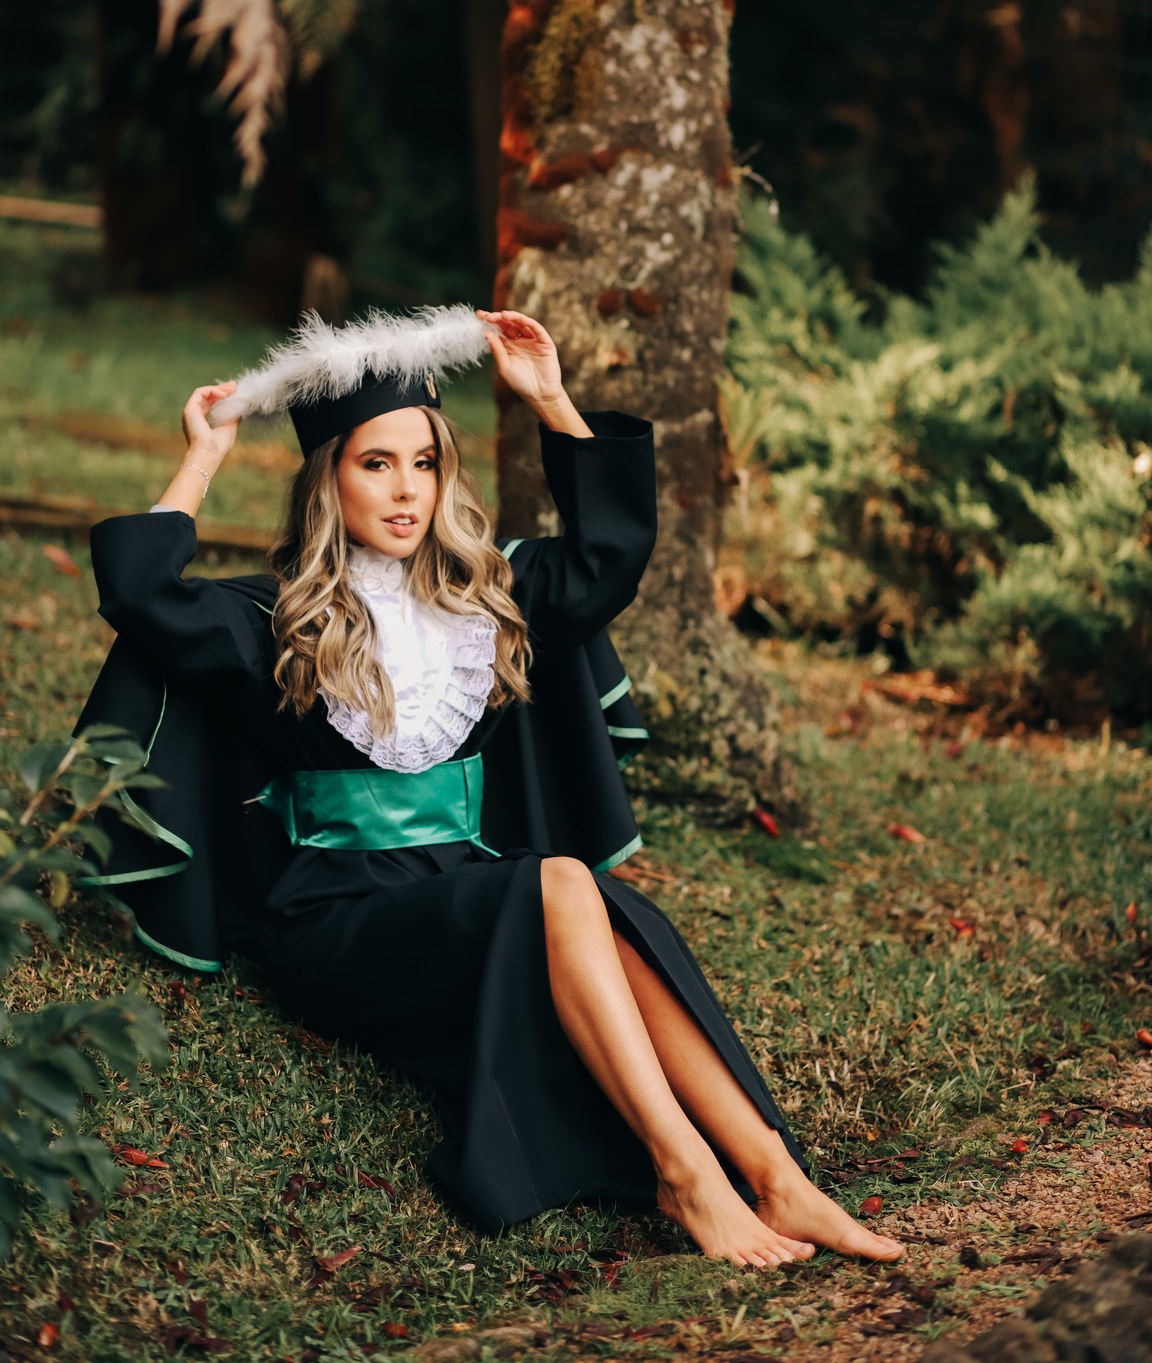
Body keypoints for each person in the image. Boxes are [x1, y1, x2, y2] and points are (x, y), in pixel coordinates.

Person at [79, 304, 902, 1269]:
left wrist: (552, 399)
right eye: (376, 463)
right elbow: (139, 594)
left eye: (425, 462)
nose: (406, 490)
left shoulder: (486, 600)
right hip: (337, 920)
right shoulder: (271, 621)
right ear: (328, 478)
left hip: (469, 891)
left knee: (609, 915)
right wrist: (203, 458)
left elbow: (608, 558)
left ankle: (775, 1176)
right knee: (561, 882)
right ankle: (685, 1175)